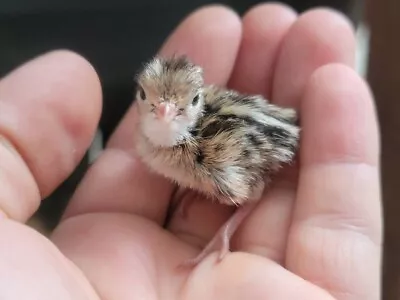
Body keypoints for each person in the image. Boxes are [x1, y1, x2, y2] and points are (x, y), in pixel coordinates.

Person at [0, 3, 381, 299]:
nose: (164, 111)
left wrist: (225, 233)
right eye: (147, 99)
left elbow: (250, 188)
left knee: (233, 186)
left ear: (199, 100)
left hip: (252, 150)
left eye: (187, 102)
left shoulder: (206, 154)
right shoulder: (153, 136)